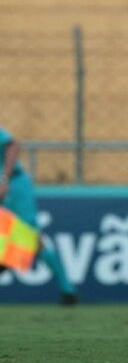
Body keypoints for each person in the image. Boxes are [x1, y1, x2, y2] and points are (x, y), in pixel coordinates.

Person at [0, 127, 78, 305]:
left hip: (14, 187)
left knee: (31, 238)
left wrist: (4, 179)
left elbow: (13, 146)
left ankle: (68, 290)